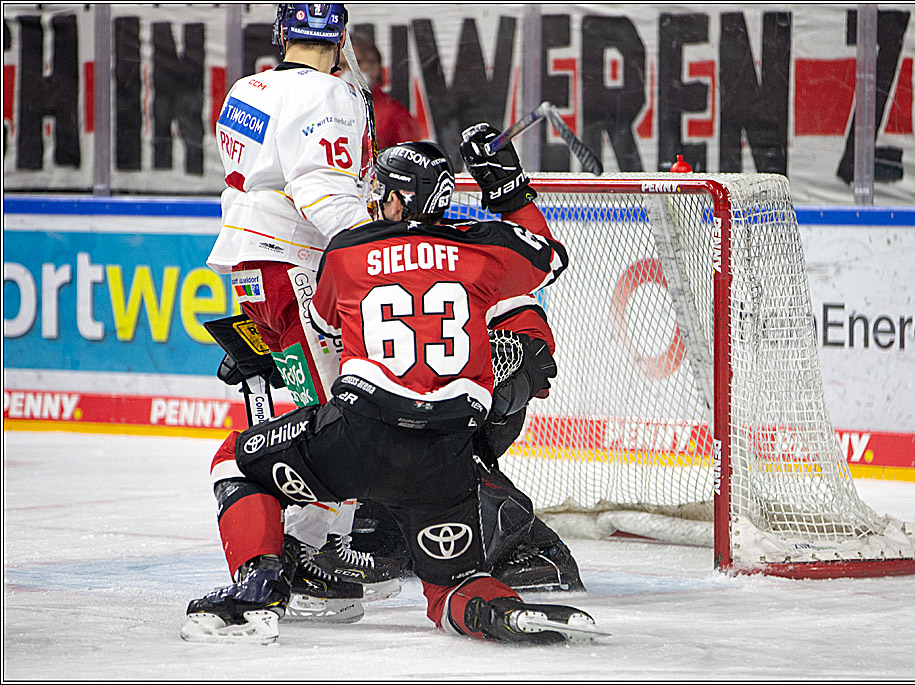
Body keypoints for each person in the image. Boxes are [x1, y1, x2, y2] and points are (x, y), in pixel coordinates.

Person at [180, 133, 603, 645]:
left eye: (380, 188)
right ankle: (494, 609)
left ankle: (258, 587)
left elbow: (324, 326)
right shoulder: (481, 250)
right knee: (453, 588)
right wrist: (508, 190)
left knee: (236, 459)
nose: (373, 197)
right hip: (444, 459)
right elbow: (549, 255)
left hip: (361, 438)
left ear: (400, 197)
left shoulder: (348, 250)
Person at [206, 3, 398, 621]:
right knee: (337, 412)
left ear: (283, 35)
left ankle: (301, 548)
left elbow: (250, 173)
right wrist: (383, 249)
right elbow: (322, 189)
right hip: (298, 261)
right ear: (337, 38)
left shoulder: (247, 87)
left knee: (311, 401)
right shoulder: (333, 93)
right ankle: (301, 561)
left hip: (252, 262)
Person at [339, 28, 425, 149]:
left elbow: (411, 161)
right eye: (342, 65)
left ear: (375, 66)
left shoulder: (395, 115)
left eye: (355, 64)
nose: (348, 71)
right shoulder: (329, 108)